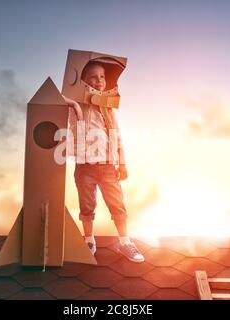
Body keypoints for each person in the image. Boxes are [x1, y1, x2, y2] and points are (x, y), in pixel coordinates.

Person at [63, 61, 144, 263]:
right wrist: (73, 98)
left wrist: (122, 163)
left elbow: (117, 137)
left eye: (102, 77)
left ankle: (124, 242)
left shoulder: (109, 109)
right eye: (93, 77)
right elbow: (62, 98)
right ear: (83, 81)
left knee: (117, 205)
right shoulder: (76, 105)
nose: (99, 81)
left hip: (108, 166)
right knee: (87, 205)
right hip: (85, 167)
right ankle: (89, 240)